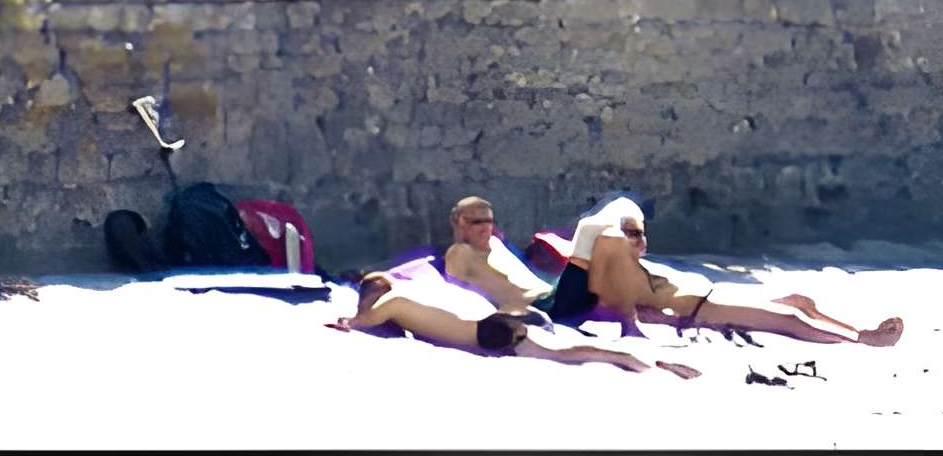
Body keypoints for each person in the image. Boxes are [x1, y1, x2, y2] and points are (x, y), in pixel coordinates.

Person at [566, 197, 904, 347]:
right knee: (789, 320)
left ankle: (860, 330)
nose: (642, 240)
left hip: (708, 295)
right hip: (703, 310)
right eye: (632, 234)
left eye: (641, 233)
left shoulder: (633, 268)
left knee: (800, 301)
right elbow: (633, 312)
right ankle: (864, 340)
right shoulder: (615, 277)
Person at [328, 273, 695, 375]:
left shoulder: (390, 301)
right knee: (565, 352)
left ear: (374, 291)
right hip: (495, 320)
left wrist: (351, 319)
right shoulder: (418, 291)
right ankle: (644, 360)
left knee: (564, 355)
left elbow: (361, 322)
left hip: (486, 332)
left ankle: (637, 362)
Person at [439, 195, 549, 314]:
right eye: (477, 222)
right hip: (532, 305)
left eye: (489, 221)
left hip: (542, 296)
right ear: (460, 224)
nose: (486, 228)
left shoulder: (494, 243)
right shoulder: (460, 253)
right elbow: (513, 297)